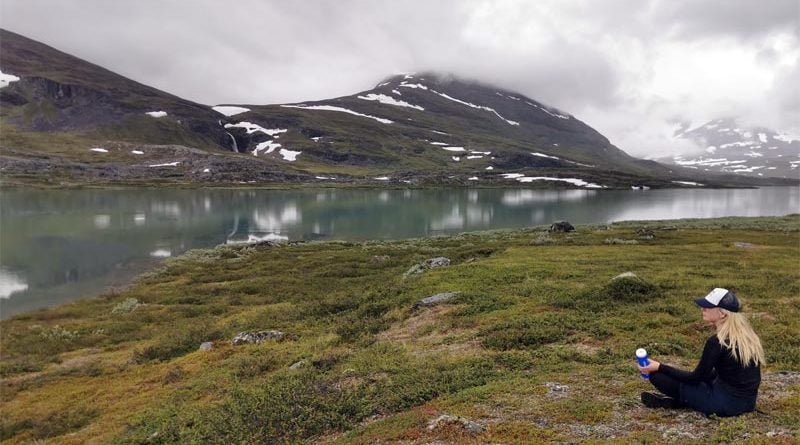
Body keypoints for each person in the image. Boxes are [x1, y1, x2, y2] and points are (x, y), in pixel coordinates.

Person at [637, 288, 764, 417]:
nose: (703, 309)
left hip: (724, 406)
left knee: (657, 376)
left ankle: (681, 402)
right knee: (708, 378)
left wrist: (659, 367)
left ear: (722, 313)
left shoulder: (717, 342)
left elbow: (695, 378)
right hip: (748, 403)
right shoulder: (748, 337)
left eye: (708, 306)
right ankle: (683, 401)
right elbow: (729, 374)